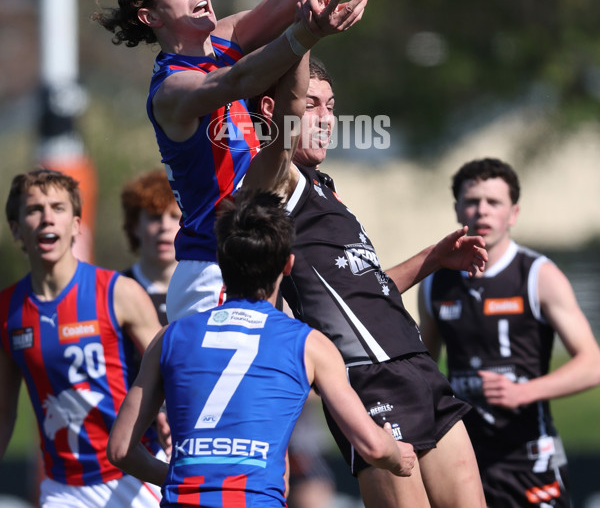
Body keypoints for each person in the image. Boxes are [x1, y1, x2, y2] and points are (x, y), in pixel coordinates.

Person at [93, 0, 367, 320]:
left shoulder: (226, 37)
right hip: (210, 272)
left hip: (255, 260)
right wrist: (307, 33)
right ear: (150, 17)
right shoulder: (172, 90)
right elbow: (240, 79)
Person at [241, 56, 487, 508]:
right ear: (275, 112)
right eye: (311, 104)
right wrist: (305, 32)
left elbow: (368, 290)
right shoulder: (273, 181)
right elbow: (283, 118)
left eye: (331, 106)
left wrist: (435, 258)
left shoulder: (326, 190)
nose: (325, 118)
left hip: (419, 367)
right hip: (369, 381)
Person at [107, 190, 417, 507]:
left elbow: (120, 450)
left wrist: (181, 481)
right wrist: (398, 456)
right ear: (287, 265)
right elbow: (373, 447)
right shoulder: (310, 344)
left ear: (221, 262)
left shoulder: (168, 337)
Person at [418, 157, 600, 508]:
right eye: (472, 201)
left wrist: (525, 391)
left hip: (528, 456)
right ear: (457, 209)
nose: (482, 211)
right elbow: (423, 367)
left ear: (513, 213)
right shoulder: (435, 283)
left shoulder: (537, 275)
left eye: (494, 202)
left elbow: (592, 363)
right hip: (463, 455)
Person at [0, 168, 164, 508]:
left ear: (75, 225)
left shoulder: (118, 292)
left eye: (58, 208)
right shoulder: (7, 311)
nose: (47, 218)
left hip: (136, 475)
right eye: (34, 209)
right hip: (64, 487)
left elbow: (170, 369)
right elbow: (4, 412)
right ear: (16, 228)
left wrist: (170, 417)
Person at [120, 168, 181, 326]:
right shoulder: (114, 290)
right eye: (155, 217)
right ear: (134, 225)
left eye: (175, 216)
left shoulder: (206, 289)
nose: (165, 226)